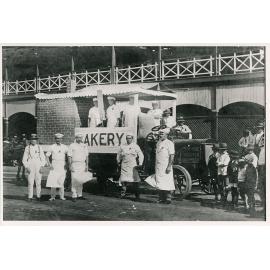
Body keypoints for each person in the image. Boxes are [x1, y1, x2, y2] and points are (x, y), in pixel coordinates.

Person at [145, 128, 175, 204]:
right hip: (158, 166)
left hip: (166, 166)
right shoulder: (158, 143)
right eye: (160, 134)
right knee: (159, 182)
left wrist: (169, 166)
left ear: (166, 135)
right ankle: (161, 198)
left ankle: (168, 198)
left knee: (167, 181)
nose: (160, 135)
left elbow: (172, 155)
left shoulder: (169, 143)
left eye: (162, 134)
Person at [117, 133, 144, 199]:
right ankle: (123, 194)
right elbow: (118, 155)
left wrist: (140, 163)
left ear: (132, 139)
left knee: (135, 181)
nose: (128, 140)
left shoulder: (135, 146)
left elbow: (141, 154)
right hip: (124, 165)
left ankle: (137, 195)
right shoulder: (122, 146)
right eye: (127, 138)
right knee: (123, 180)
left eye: (130, 138)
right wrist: (118, 161)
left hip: (133, 166)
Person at [22, 134, 46, 201]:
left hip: (38, 165)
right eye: (32, 139)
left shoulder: (39, 147)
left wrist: (42, 166)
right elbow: (24, 159)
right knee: (30, 182)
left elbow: (43, 158)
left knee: (38, 182)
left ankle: (38, 196)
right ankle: (30, 196)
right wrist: (27, 167)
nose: (33, 141)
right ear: (30, 140)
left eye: (35, 139)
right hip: (30, 165)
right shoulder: (27, 148)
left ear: (37, 140)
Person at [45, 133, 68, 201]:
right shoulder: (52, 146)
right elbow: (47, 156)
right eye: (57, 138)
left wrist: (66, 164)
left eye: (60, 138)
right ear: (55, 139)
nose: (58, 140)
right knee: (53, 181)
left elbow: (69, 155)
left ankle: (62, 196)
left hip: (62, 165)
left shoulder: (64, 147)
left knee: (61, 181)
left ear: (62, 139)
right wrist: (49, 164)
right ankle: (52, 196)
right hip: (54, 164)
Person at [68, 133, 89, 202]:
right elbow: (69, 156)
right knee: (74, 179)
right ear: (75, 138)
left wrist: (87, 165)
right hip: (75, 164)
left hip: (82, 164)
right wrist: (70, 165)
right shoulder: (72, 145)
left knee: (81, 180)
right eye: (78, 137)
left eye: (80, 137)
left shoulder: (84, 145)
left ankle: (80, 195)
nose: (79, 139)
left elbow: (86, 156)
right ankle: (74, 195)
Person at [257, 133, 265, 213]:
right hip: (262, 167)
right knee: (261, 188)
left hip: (264, 166)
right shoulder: (262, 149)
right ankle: (264, 207)